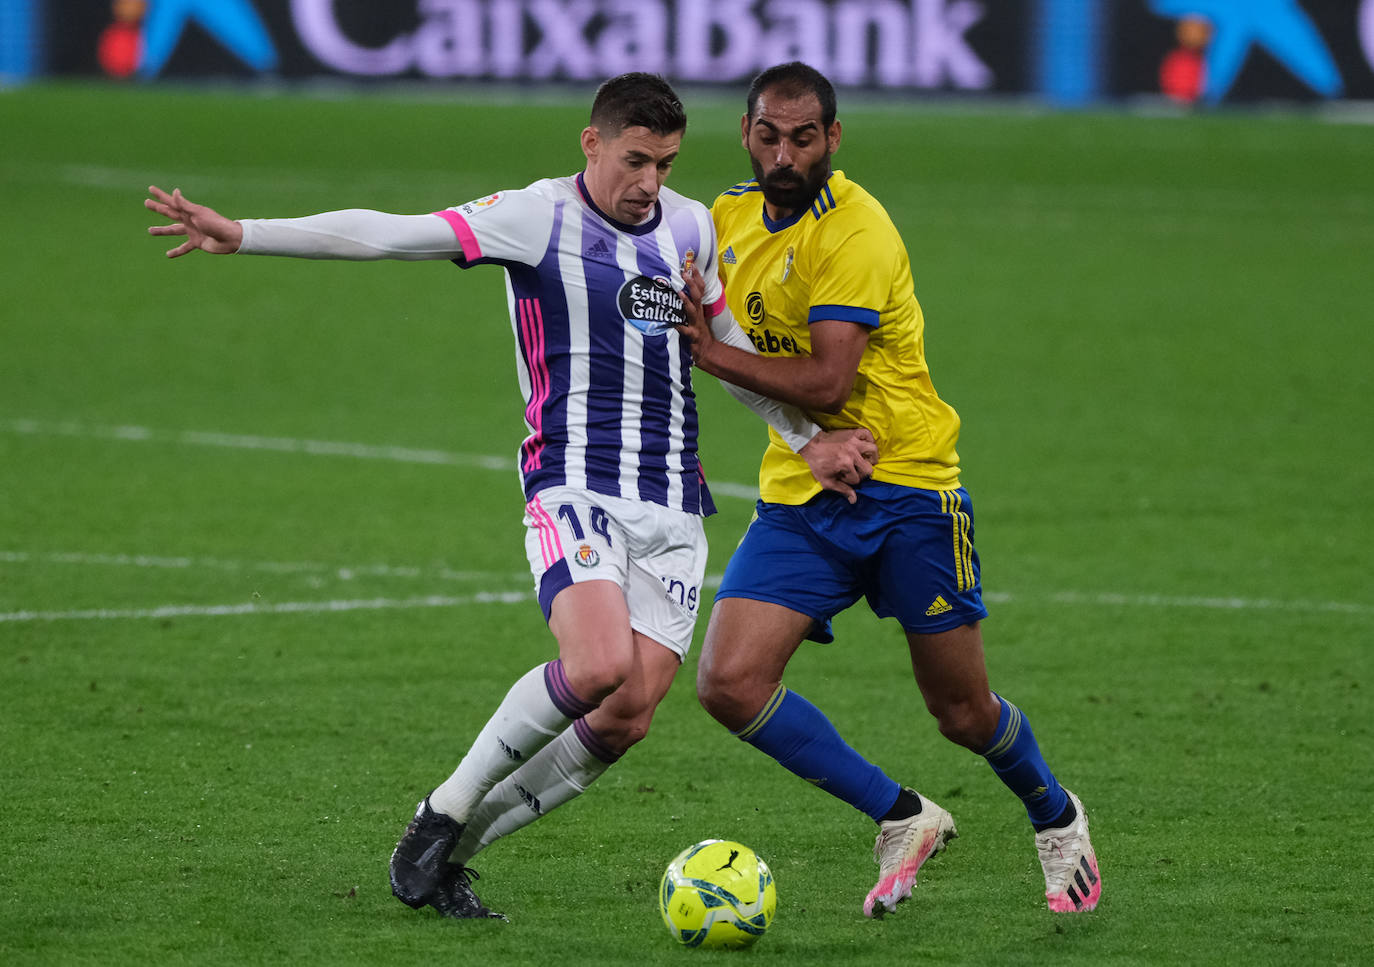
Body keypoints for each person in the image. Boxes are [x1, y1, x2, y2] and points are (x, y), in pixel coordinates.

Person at [144, 72, 878, 920]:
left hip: (674, 504)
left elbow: (722, 345)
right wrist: (246, 234)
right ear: (591, 143)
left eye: (667, 164)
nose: (650, 183)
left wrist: (804, 438)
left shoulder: (689, 226)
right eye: (636, 160)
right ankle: (443, 810)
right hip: (573, 484)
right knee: (598, 665)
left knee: (629, 714)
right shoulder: (537, 216)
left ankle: (448, 857)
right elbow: (394, 235)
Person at [673, 62, 1102, 917]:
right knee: (728, 681)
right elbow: (728, 349)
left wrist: (710, 350)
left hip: (907, 488)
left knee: (961, 710)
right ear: (747, 135)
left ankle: (1058, 819)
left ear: (833, 139)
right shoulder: (720, 220)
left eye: (805, 137)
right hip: (803, 494)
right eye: (769, 135)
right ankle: (904, 815)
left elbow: (830, 381)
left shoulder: (857, 230)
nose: (786, 154)